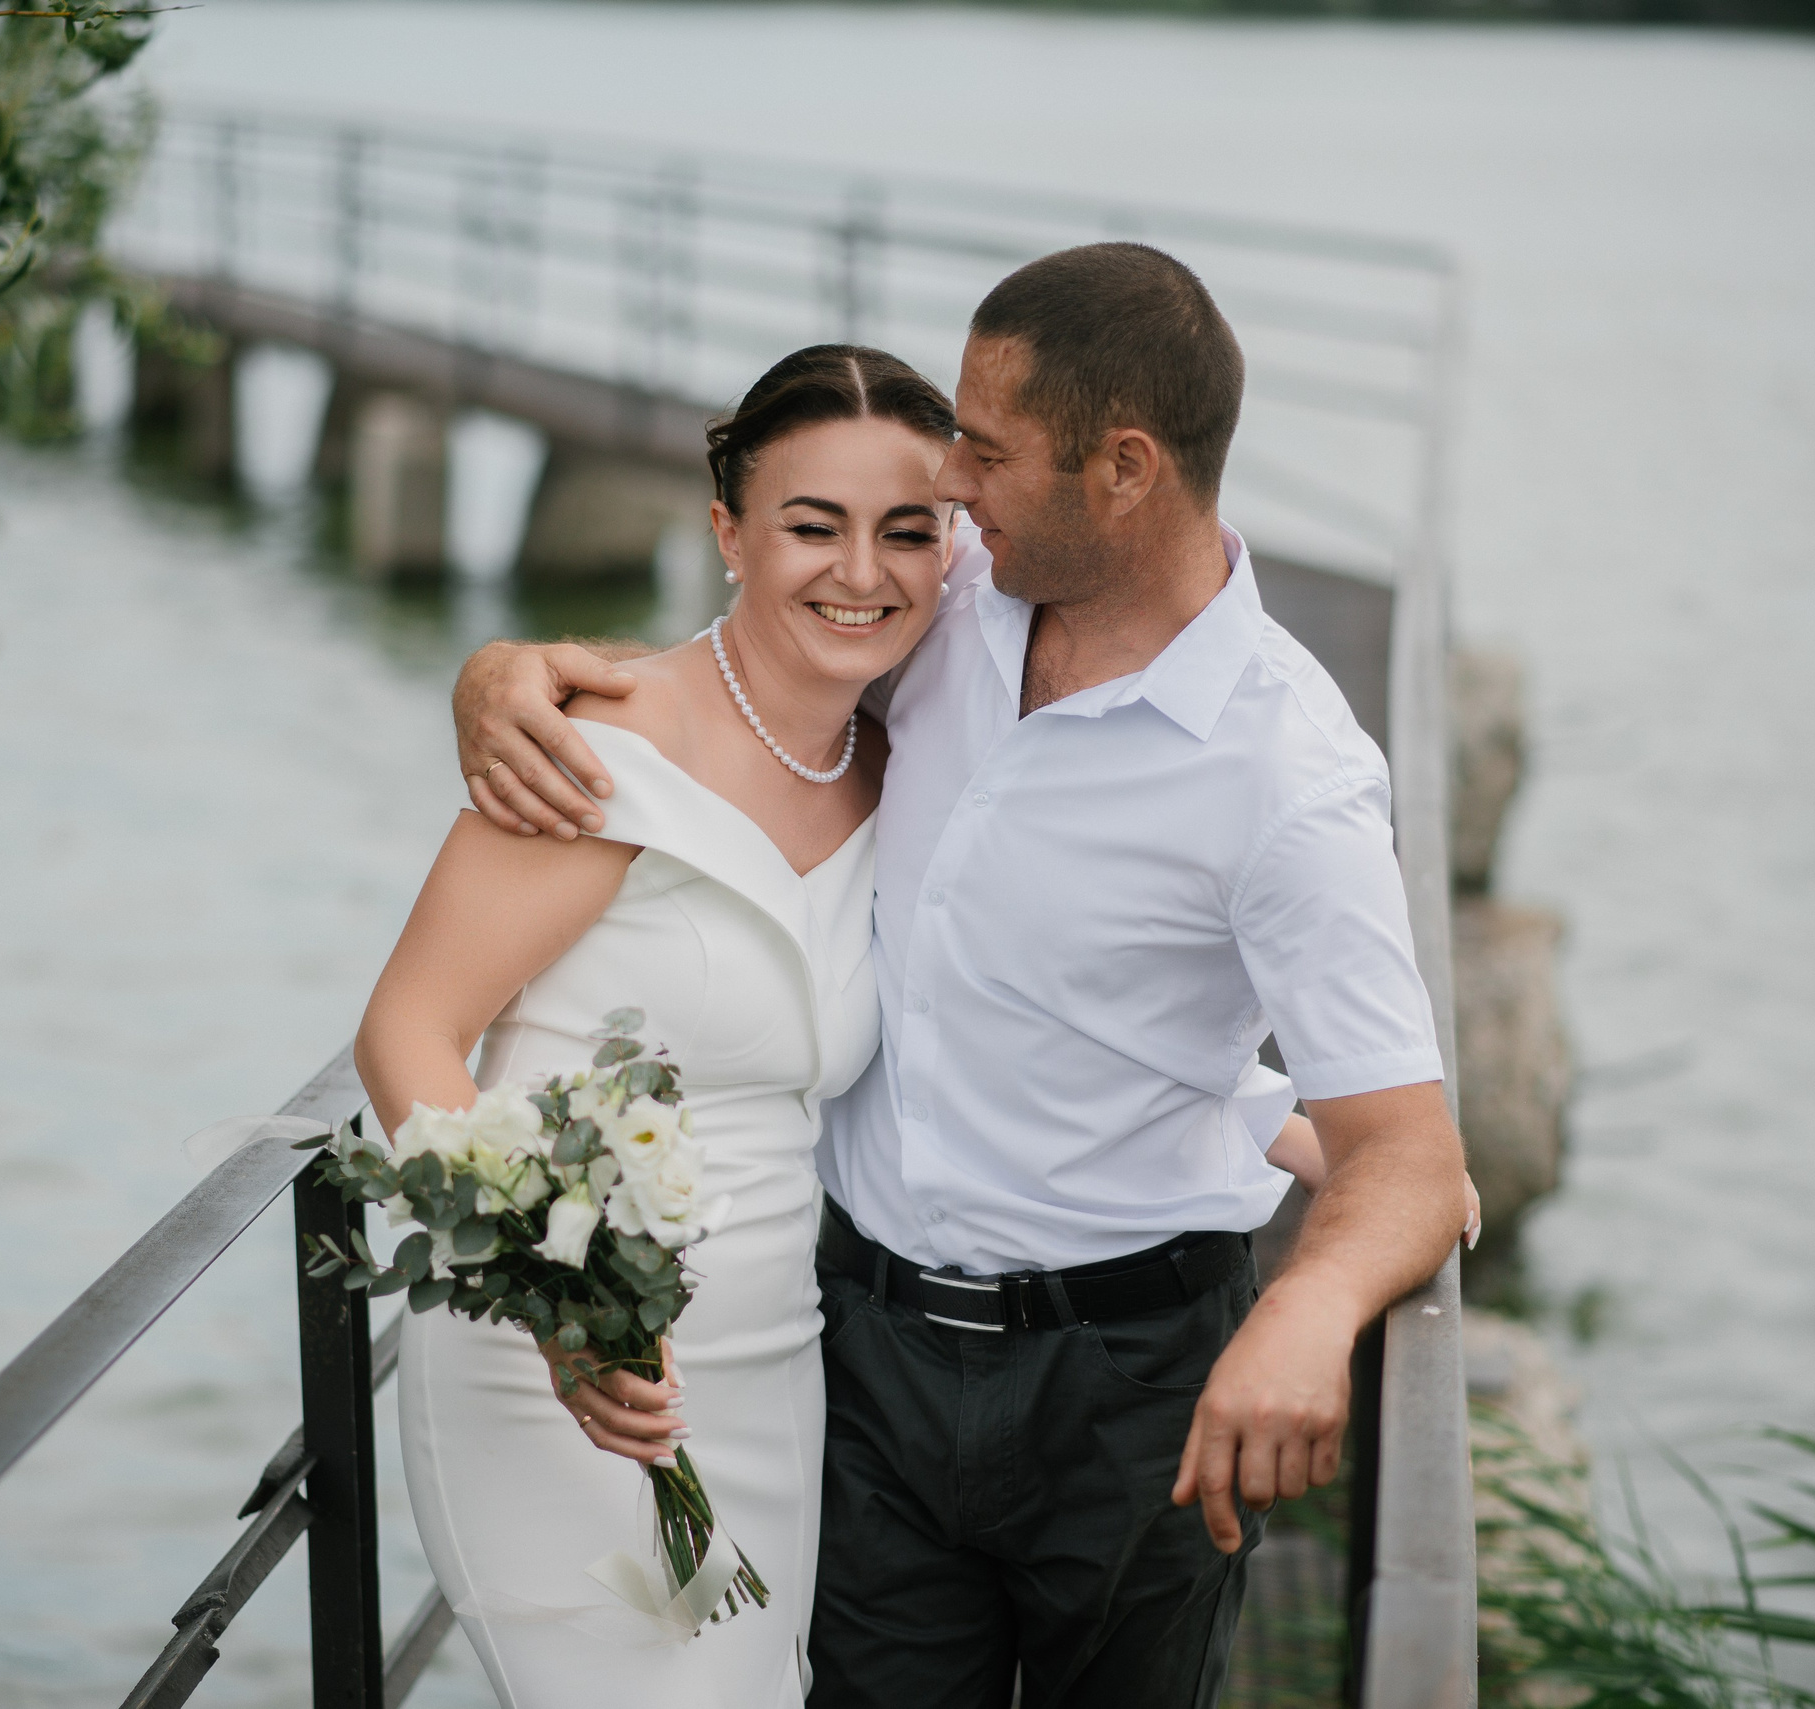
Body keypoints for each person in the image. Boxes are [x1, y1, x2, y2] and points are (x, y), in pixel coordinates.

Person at [448, 243, 1470, 1708]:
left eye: (986, 451)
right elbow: (752, 661)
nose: (951, 483)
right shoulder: (957, 589)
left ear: (1124, 470)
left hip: (1128, 1392)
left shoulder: (1292, 779)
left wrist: (1305, 1313)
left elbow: (1412, 1158)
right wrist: (510, 667)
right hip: (860, 1353)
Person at [354, 344, 970, 1706]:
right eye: (812, 525)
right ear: (728, 535)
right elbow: (406, 1034)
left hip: (771, 1374)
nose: (861, 571)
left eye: (907, 530)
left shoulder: (906, 769)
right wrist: (558, 1310)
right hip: (557, 1382)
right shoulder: (599, 747)